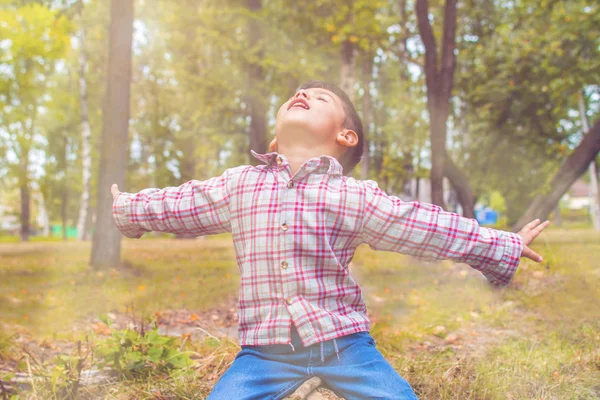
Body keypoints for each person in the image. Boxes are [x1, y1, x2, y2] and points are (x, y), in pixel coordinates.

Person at [111, 80, 549, 399]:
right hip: (264, 353)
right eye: (297, 95)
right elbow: (182, 204)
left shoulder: (354, 196)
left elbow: (423, 225)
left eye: (320, 98)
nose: (302, 94)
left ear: (345, 136)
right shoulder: (239, 185)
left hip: (345, 345)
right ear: (275, 137)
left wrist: (500, 245)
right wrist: (129, 209)